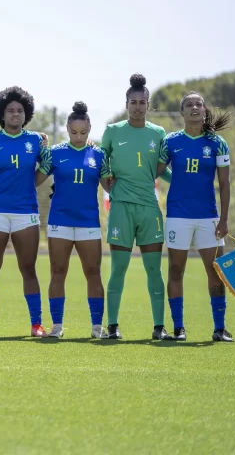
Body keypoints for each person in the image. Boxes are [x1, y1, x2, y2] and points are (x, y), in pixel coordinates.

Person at [0, 86, 49, 337]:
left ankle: (36, 324)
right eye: (10, 110)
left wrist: (29, 184)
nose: (15, 114)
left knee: (29, 268)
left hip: (26, 212)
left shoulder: (36, 141)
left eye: (20, 110)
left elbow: (47, 165)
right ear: (2, 115)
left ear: (26, 114)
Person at [101, 74, 173, 340]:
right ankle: (113, 326)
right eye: (134, 102)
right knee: (118, 268)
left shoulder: (158, 133)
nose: (138, 107)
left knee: (154, 269)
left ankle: (158, 327)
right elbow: (101, 161)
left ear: (148, 104)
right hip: (121, 207)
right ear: (127, 103)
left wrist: (182, 184)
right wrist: (107, 182)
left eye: (143, 102)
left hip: (149, 208)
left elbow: (161, 170)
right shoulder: (113, 131)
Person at [158, 92, 233, 342]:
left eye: (198, 104)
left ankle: (219, 329)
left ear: (204, 110)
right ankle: (179, 329)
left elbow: (224, 183)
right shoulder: (170, 141)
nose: (194, 108)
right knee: (176, 270)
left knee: (215, 273)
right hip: (178, 216)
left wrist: (223, 219)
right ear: (182, 112)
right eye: (189, 104)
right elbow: (154, 171)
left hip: (208, 218)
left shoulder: (217, 143)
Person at [39, 102, 113, 339]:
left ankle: (96, 327)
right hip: (60, 221)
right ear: (67, 129)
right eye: (73, 132)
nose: (78, 137)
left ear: (90, 128)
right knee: (58, 271)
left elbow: (108, 185)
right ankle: (57, 326)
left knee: (93, 272)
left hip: (88, 222)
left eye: (83, 132)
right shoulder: (55, 153)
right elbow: (35, 179)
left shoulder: (99, 154)